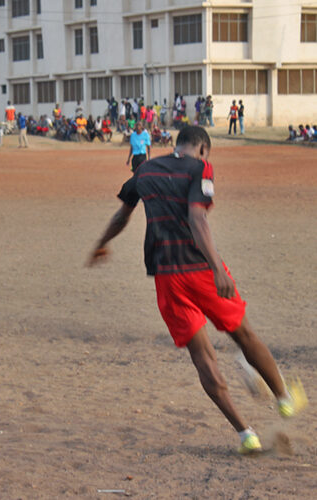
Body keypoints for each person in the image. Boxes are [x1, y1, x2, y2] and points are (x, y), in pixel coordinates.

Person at [88, 125, 307, 454]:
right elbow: (198, 219)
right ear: (203, 149)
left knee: (203, 358)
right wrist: (218, 267)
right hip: (201, 270)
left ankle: (245, 433)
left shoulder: (145, 170)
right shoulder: (200, 167)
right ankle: (284, 399)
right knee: (243, 334)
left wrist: (100, 245)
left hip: (167, 277)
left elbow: (123, 214)